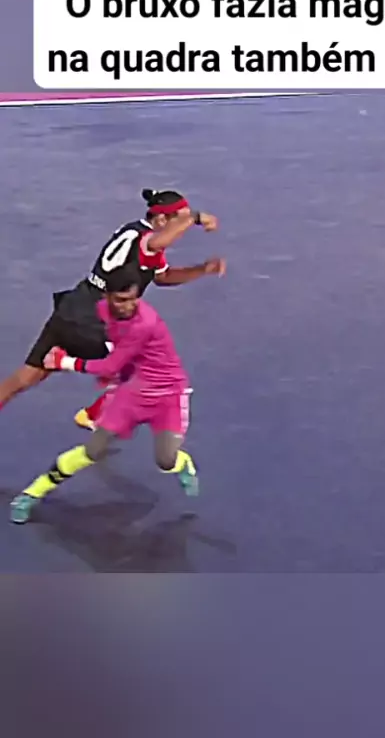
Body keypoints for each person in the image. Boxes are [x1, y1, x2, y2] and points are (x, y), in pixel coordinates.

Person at [0, 188, 225, 429]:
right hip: (94, 321)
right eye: (179, 220)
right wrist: (196, 217)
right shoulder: (148, 241)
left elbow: (163, 276)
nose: (183, 225)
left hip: (72, 306)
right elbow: (159, 242)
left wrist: (202, 269)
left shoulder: (134, 232)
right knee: (143, 368)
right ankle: (93, 414)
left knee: (27, 376)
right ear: (161, 219)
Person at [10, 267, 199, 525]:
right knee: (93, 450)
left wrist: (64, 362)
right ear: (107, 296)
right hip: (132, 391)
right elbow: (110, 344)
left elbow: (110, 365)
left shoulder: (144, 324)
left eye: (133, 299)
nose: (128, 306)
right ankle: (31, 494)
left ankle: (182, 463)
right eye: (121, 300)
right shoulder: (102, 311)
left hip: (167, 394)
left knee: (166, 460)